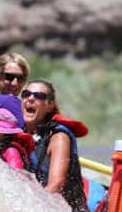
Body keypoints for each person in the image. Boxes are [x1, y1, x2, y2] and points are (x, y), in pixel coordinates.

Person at [21, 79, 89, 211]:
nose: (30, 98)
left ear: (49, 106)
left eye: (39, 96)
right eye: (26, 93)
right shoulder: (21, 133)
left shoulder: (58, 136)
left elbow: (56, 185)